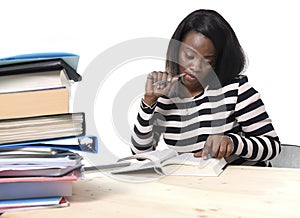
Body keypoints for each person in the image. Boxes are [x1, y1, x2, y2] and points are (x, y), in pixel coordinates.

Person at [131, 9, 281, 166]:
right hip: (199, 185)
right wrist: (149, 102)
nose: (195, 66)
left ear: (218, 61)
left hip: (243, 185)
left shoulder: (236, 90)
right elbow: (141, 156)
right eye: (189, 56)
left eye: (207, 61)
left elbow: (272, 146)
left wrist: (232, 143)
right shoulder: (165, 98)